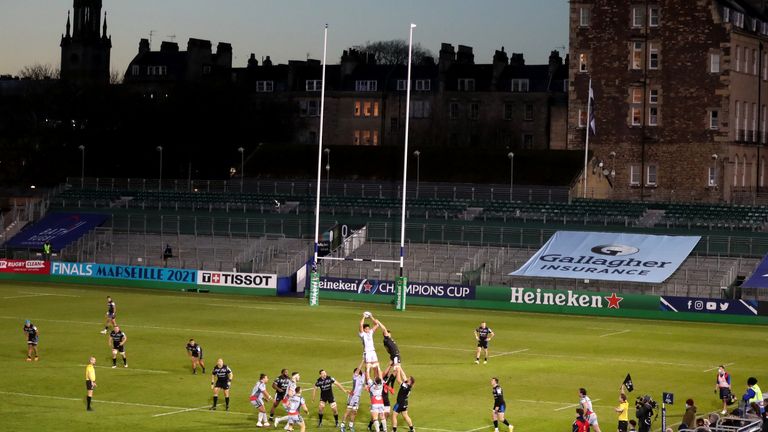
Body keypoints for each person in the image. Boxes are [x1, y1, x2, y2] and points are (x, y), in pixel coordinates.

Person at [341, 365, 366, 432]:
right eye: (355, 371)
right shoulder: (355, 377)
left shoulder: (362, 378)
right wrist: (363, 360)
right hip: (352, 396)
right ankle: (342, 426)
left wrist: (367, 364)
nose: (356, 372)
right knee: (348, 411)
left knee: (354, 412)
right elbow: (359, 368)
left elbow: (367, 371)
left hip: (357, 398)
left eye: (357, 371)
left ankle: (351, 425)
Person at [391, 366, 415, 432]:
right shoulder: (409, 386)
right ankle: (412, 429)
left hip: (400, 403)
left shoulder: (405, 386)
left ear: (410, 381)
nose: (407, 378)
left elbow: (399, 380)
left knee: (394, 415)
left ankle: (394, 430)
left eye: (408, 378)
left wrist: (398, 371)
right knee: (405, 415)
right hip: (405, 403)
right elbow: (404, 376)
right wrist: (400, 368)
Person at [360, 313, 382, 380]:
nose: (368, 330)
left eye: (368, 329)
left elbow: (376, 325)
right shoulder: (362, 334)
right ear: (364, 330)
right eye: (366, 329)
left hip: (373, 352)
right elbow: (361, 325)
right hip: (367, 352)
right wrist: (363, 317)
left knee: (376, 367)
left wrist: (371, 316)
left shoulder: (370, 332)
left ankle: (376, 380)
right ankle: (367, 382)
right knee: (368, 368)